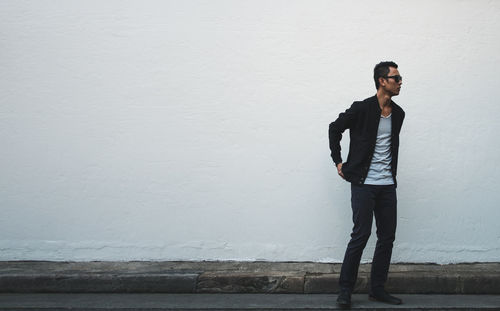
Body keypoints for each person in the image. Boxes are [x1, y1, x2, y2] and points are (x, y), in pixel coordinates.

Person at [328, 61, 405, 309]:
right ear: (382, 81)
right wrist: (339, 161)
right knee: (360, 236)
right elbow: (334, 128)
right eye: (396, 78)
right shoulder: (361, 108)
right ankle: (345, 290)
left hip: (387, 186)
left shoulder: (399, 113)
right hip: (363, 184)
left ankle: (377, 289)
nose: (400, 81)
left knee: (387, 237)